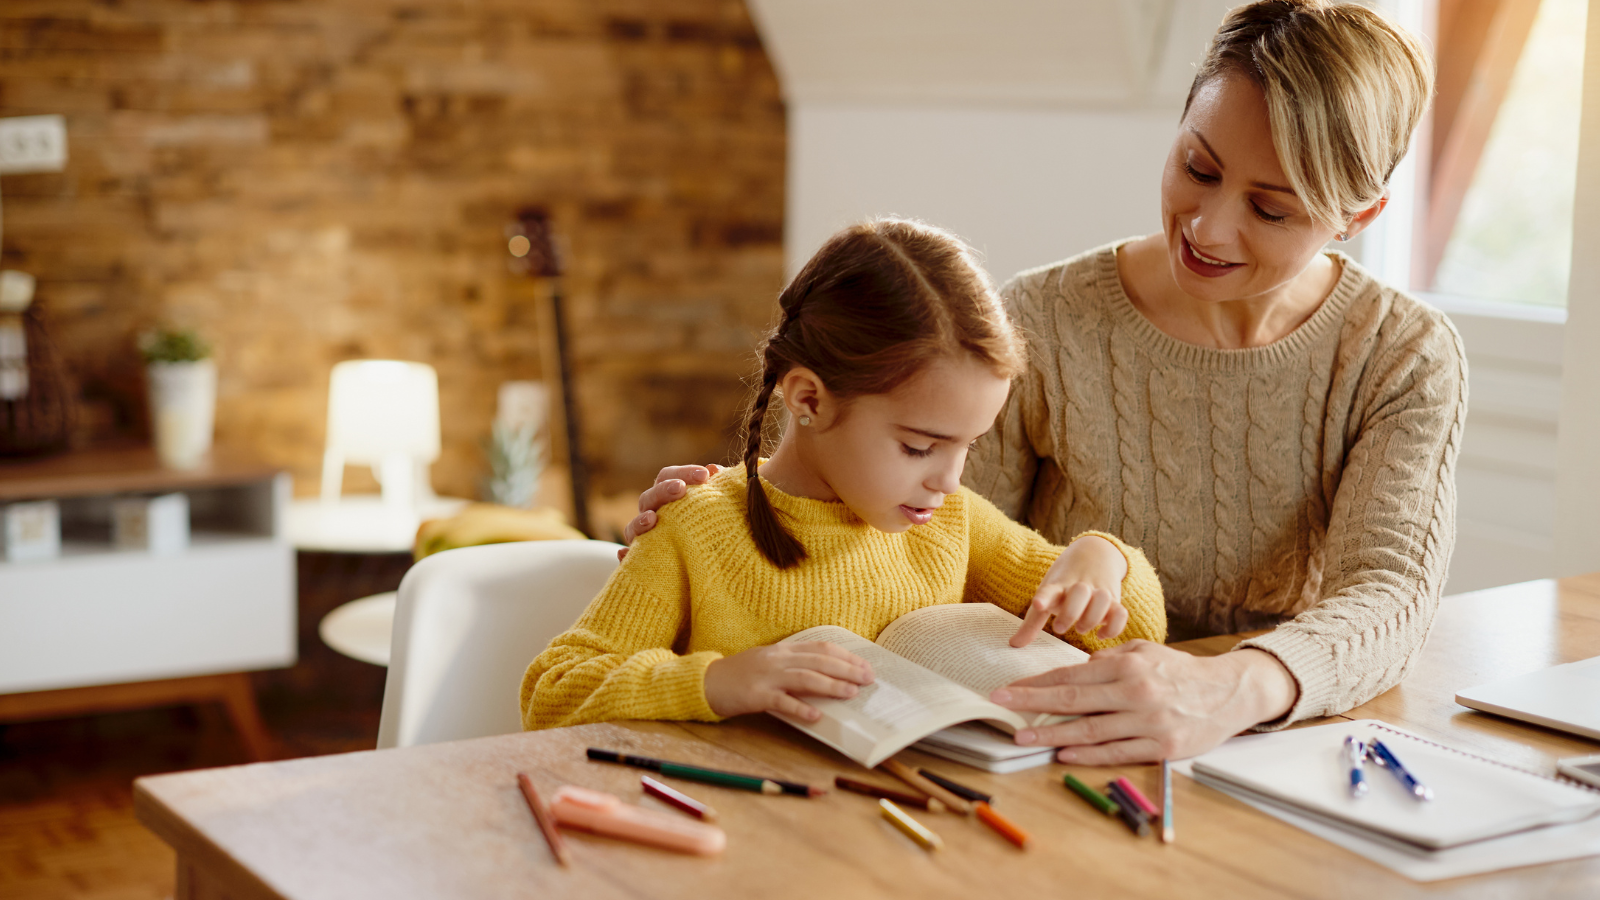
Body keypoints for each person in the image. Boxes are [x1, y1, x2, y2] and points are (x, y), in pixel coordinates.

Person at [621, 0, 1466, 763]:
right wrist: (730, 517)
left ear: (1359, 217)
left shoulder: (1402, 353)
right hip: (1053, 747)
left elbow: (1389, 594)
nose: (1209, 227)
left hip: (1284, 744)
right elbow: (911, 541)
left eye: (1272, 209)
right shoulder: (1043, 319)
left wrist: (1230, 688)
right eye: (1198, 168)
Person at [521, 219, 1166, 731]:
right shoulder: (696, 528)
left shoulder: (951, 522)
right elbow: (553, 692)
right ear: (808, 400)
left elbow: (1140, 631)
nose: (949, 478)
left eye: (968, 445)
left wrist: (1099, 558)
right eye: (920, 447)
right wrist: (717, 681)